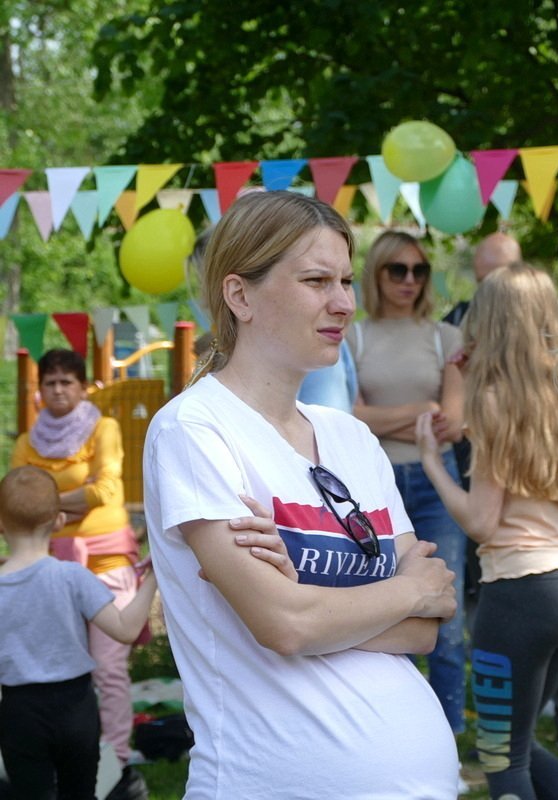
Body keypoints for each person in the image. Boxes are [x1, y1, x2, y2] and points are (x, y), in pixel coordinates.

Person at [142, 191, 459, 798]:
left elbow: (425, 625)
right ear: (240, 296)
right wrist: (391, 593)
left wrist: (312, 601)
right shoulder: (196, 429)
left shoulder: (351, 436)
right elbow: (284, 625)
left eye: (344, 280)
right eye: (316, 280)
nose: (343, 303)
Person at [416, 263, 558, 800]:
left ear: (487, 324)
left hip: (517, 594)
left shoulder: (493, 403)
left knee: (501, 758)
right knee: (520, 746)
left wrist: (432, 462)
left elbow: (481, 522)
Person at [10, 347, 148, 798]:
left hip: (106, 560)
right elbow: (18, 502)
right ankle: (73, 767)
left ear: (83, 386)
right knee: (52, 665)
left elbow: (107, 488)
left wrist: (44, 500)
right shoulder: (27, 443)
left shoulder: (103, 427)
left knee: (108, 669)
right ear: (39, 390)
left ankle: (117, 766)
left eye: (66, 381)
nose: (57, 389)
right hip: (49, 567)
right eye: (49, 382)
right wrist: (69, 498)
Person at [348, 230, 470, 734]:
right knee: (384, 603)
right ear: (376, 273)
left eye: (419, 270)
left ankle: (449, 728)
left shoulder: (446, 337)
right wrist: (421, 410)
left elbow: (454, 423)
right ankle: (398, 725)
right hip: (373, 483)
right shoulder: (352, 336)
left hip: (437, 479)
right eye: (397, 269)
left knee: (445, 607)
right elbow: (346, 418)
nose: (409, 280)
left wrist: (382, 418)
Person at [0, 465, 157, 800]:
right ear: (58, 521)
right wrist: (153, 577)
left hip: (19, 711)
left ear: (0, 525)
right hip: (75, 709)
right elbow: (126, 630)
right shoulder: (73, 576)